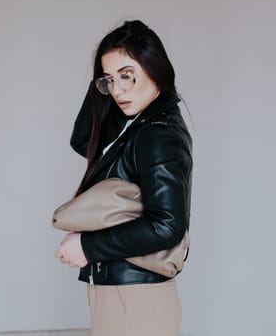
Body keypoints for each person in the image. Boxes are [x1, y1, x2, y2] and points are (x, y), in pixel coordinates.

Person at [54, 20, 193, 336]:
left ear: (155, 68)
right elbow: (83, 140)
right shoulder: (140, 123)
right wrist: (103, 83)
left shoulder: (158, 134)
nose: (117, 90)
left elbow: (167, 225)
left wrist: (87, 246)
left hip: (135, 299)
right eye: (108, 80)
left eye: (127, 75)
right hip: (126, 294)